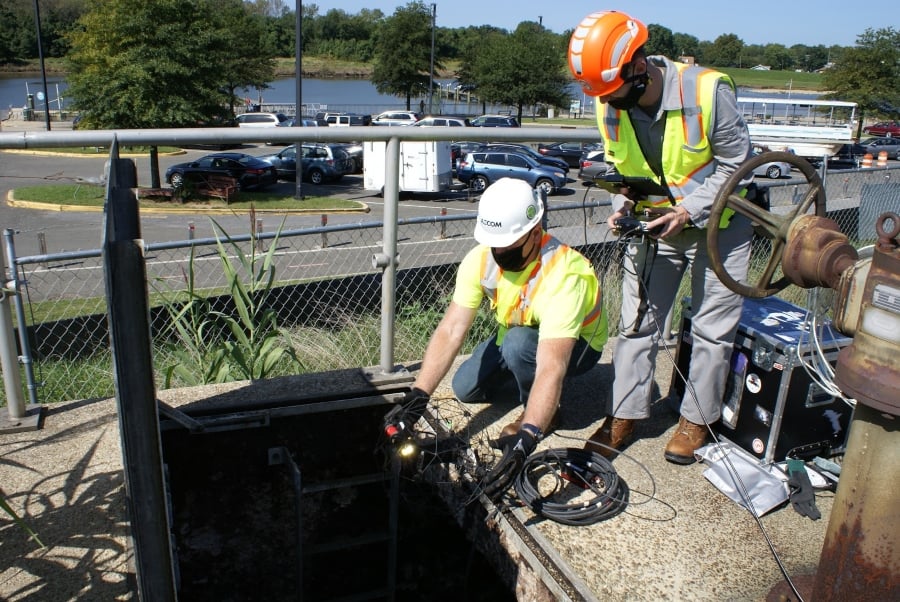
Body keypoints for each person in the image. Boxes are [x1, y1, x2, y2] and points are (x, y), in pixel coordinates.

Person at [567, 10, 753, 464]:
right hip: (655, 224)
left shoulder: (708, 91)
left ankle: (696, 420)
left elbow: (737, 166)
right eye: (601, 94)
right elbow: (622, 168)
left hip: (720, 226)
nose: (608, 101)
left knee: (712, 329)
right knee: (636, 325)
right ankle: (624, 416)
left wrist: (688, 209)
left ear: (637, 64)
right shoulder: (606, 101)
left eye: (613, 91)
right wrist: (622, 205)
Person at [404, 177, 607, 498]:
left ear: (535, 233)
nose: (499, 252)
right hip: (517, 337)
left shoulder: (566, 274)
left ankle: (545, 410)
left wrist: (528, 435)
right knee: (465, 388)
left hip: (577, 348)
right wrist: (418, 395)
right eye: (494, 243)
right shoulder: (481, 259)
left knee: (520, 349)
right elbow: (451, 329)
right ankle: (538, 390)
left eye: (508, 245)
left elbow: (553, 362)